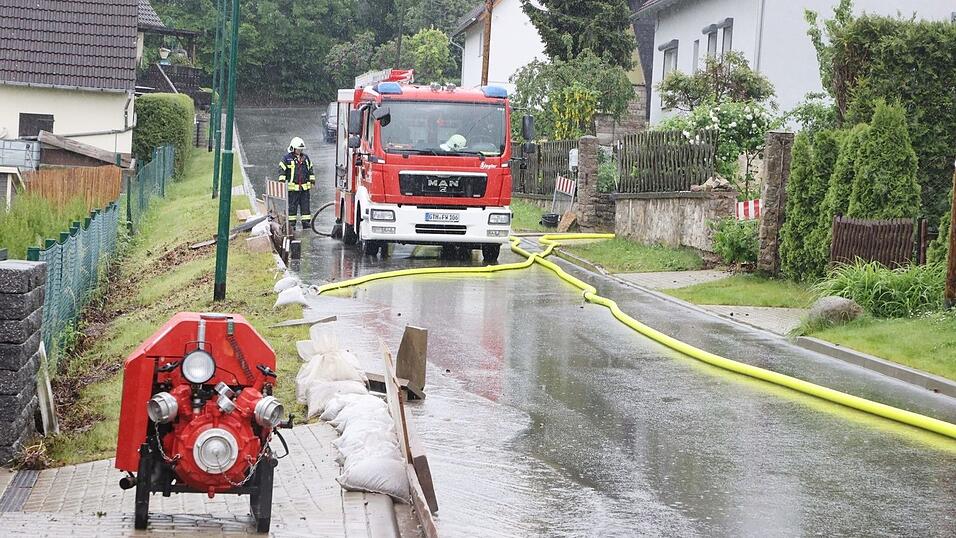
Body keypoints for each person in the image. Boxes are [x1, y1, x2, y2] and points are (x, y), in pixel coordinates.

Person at [279, 137, 315, 230]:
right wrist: (282, 182)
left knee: (305, 207)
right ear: (293, 148)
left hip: (304, 189)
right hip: (292, 190)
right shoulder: (286, 159)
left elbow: (310, 169)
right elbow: (281, 170)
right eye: (298, 149)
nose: (300, 150)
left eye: (301, 149)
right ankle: (292, 225)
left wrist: (312, 181)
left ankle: (306, 223)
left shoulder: (305, 158)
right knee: (292, 208)